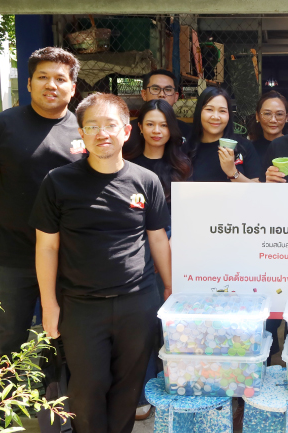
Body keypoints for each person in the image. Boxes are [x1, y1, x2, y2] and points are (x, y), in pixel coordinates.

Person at [31, 93, 172, 433]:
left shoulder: (146, 181)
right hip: (81, 306)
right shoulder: (58, 182)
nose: (101, 133)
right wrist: (49, 305)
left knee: (128, 388)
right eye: (92, 126)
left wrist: (170, 287)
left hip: (137, 302)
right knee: (86, 389)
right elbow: (47, 247)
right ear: (81, 133)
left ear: (126, 131)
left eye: (110, 125)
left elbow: (157, 238)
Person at [0, 47, 86, 375]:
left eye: (60, 79)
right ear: (30, 83)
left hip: (69, 256)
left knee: (64, 341)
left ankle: (55, 405)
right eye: (43, 77)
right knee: (5, 343)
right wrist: (1, 219)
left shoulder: (84, 129)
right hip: (13, 256)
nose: (51, 84)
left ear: (72, 88)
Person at [124, 98, 191, 420]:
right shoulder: (127, 162)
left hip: (176, 244)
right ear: (139, 128)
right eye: (150, 124)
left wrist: (173, 242)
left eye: (163, 125)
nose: (156, 130)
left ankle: (176, 384)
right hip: (137, 246)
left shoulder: (182, 164)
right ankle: (142, 391)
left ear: (171, 129)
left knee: (172, 322)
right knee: (143, 323)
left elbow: (189, 210)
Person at [189, 86, 261, 182]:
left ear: (229, 115)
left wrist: (232, 172)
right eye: (209, 109)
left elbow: (257, 188)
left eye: (222, 111)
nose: (216, 117)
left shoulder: (244, 146)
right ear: (199, 112)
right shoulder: (186, 149)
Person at [124, 69, 193, 155]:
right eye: (155, 89)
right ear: (144, 94)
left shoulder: (188, 132)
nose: (162, 94)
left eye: (168, 89)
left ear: (176, 97)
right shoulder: (126, 132)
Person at [247, 90, 288, 167]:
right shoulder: (249, 149)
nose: (273, 120)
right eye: (267, 114)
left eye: (279, 114)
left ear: (286, 117)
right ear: (257, 116)